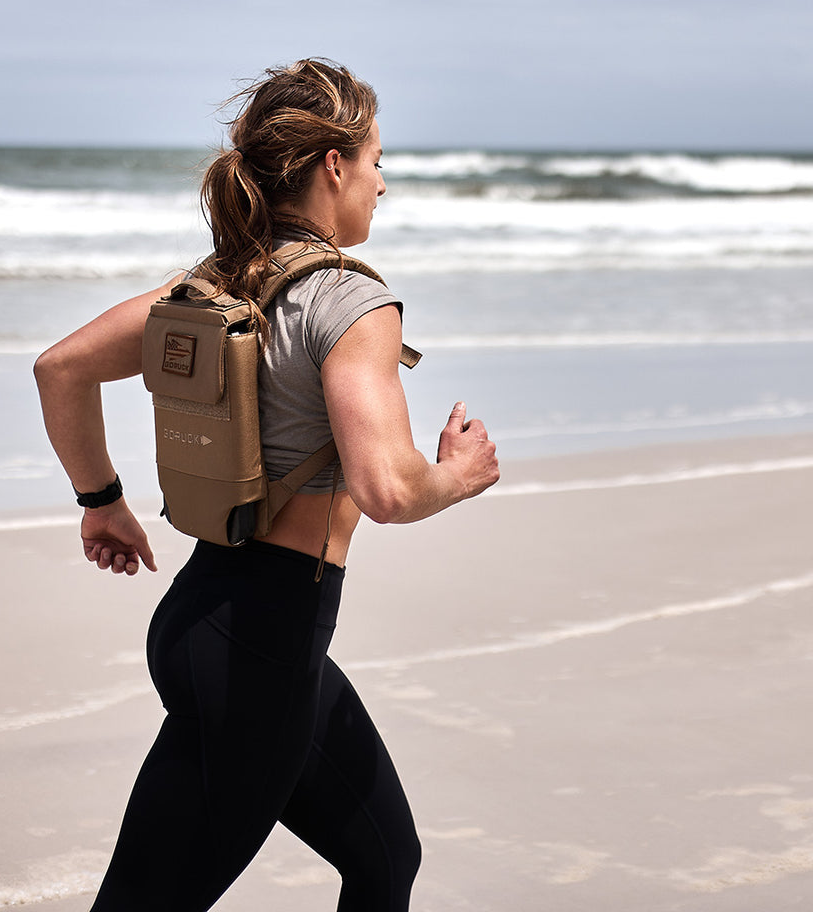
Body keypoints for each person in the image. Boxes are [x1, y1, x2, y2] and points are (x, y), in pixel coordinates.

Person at [34, 58, 500, 911]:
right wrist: (460, 474)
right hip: (262, 649)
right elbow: (391, 491)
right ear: (333, 166)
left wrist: (101, 503)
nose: (382, 185)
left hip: (205, 620)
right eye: (377, 161)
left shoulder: (210, 286)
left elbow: (59, 368)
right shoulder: (349, 303)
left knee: (386, 858)